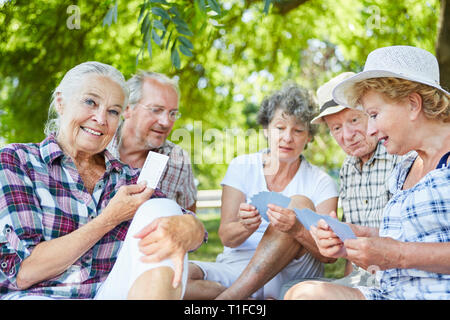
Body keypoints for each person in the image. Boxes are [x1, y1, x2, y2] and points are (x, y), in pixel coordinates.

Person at [0, 61, 206, 300]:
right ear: (60, 102)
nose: (100, 118)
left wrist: (190, 227)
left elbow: (192, 223)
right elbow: (23, 273)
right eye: (90, 102)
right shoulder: (18, 161)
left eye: (113, 111)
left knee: (162, 207)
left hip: (108, 293)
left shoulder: (127, 178)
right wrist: (109, 219)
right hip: (38, 295)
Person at [285, 45, 450, 300]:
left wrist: (398, 255)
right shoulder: (405, 167)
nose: (369, 129)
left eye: (373, 114)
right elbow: (402, 237)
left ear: (412, 104)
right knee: (303, 294)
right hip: (390, 292)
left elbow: (400, 250)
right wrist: (351, 239)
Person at [185, 82, 339, 300]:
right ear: (266, 129)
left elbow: (329, 256)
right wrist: (245, 226)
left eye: (298, 130)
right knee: (178, 277)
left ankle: (230, 299)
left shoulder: (321, 182)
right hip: (238, 266)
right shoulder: (242, 166)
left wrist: (297, 229)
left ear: (309, 137)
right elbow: (227, 238)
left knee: (299, 204)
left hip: (292, 272)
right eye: (279, 128)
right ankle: (248, 298)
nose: (287, 137)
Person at [108, 71, 197, 212]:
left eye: (172, 113)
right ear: (127, 109)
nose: (166, 122)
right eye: (156, 110)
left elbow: (189, 220)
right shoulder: (97, 144)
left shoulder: (177, 160)